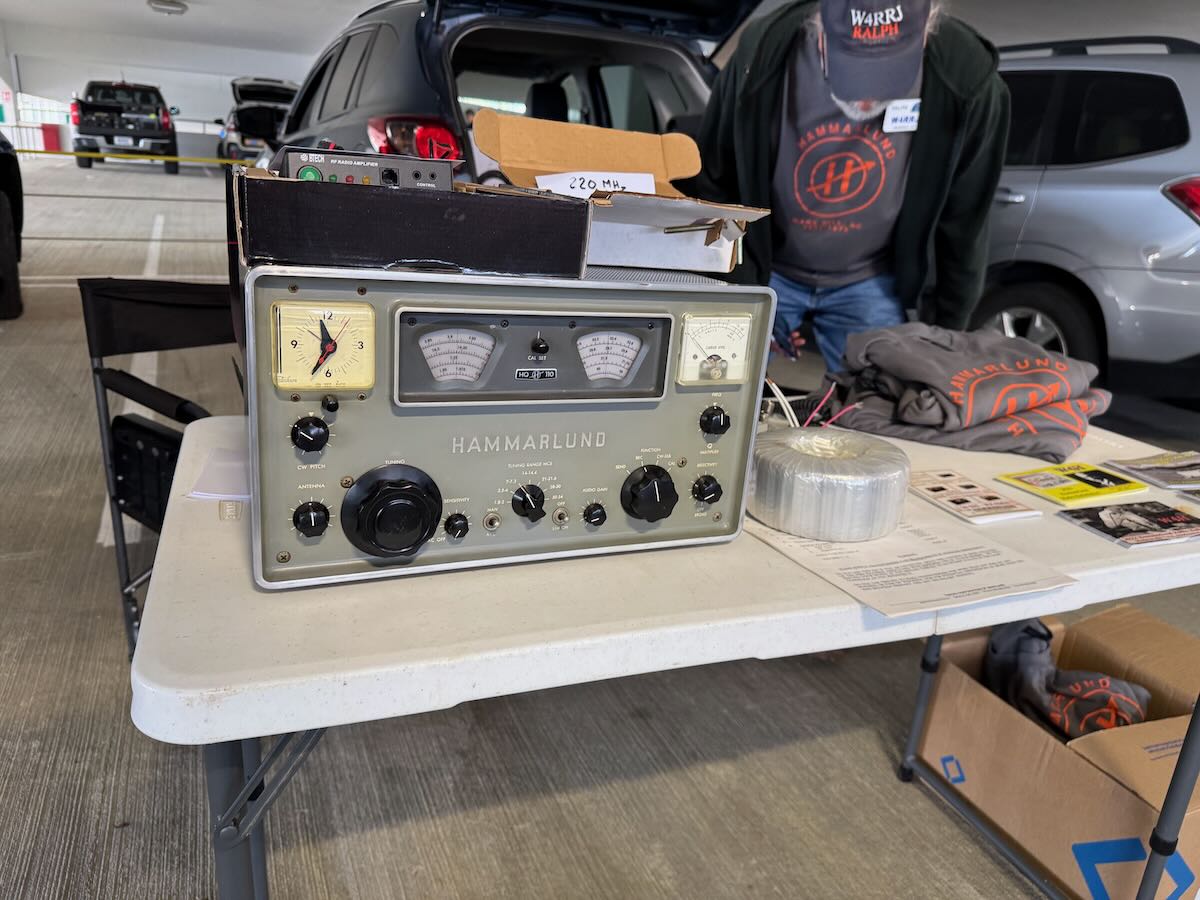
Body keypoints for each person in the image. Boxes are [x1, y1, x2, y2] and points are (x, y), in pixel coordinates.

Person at [690, 0, 1010, 372]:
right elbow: (713, 182)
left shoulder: (967, 80)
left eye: (889, 72)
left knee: (880, 398)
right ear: (820, 35)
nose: (868, 96)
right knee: (712, 378)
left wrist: (946, 337)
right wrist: (740, 286)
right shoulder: (762, 55)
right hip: (766, 266)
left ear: (925, 34)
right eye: (854, 71)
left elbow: (965, 224)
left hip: (871, 279)